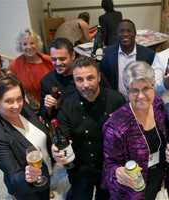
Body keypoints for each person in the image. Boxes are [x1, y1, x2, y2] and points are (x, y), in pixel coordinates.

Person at [52, 56, 125, 200]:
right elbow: (62, 135)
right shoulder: (67, 104)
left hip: (108, 165)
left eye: (90, 78)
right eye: (79, 80)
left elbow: (127, 134)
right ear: (74, 80)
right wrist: (57, 150)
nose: (85, 85)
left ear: (99, 77)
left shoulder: (116, 100)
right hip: (80, 167)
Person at [103, 61, 168, 200]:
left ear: (153, 86)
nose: (141, 96)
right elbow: (109, 166)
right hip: (135, 189)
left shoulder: (157, 104)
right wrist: (117, 172)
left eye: (146, 88)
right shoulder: (116, 126)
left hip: (158, 176)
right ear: (127, 91)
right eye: (134, 90)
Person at [0, 75, 51, 200]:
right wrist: (27, 177)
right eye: (9, 101)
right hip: (28, 188)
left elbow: (42, 131)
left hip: (46, 170)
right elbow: (13, 174)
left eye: (19, 98)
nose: (16, 106)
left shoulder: (23, 107)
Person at [100, 19, 155, 98]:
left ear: (135, 33)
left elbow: (151, 82)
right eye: (121, 31)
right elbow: (104, 81)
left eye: (129, 31)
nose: (125, 34)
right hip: (116, 102)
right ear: (116, 34)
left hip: (140, 99)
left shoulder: (148, 55)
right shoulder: (106, 54)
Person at [9, 29, 53, 109]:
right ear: (20, 46)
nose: (29, 47)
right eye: (25, 44)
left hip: (52, 103)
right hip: (31, 108)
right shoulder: (14, 65)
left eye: (32, 43)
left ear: (37, 44)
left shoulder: (49, 61)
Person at [39, 37, 76, 122]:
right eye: (54, 59)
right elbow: (43, 115)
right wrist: (48, 107)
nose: (58, 63)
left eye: (62, 59)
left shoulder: (85, 75)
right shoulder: (46, 81)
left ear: (73, 55)